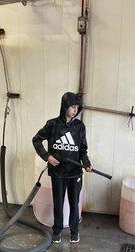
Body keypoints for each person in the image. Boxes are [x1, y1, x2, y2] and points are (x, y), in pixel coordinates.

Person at [32, 92, 92, 244]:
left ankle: (74, 231)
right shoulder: (52, 124)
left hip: (74, 173)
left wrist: (87, 163)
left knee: (74, 203)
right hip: (57, 173)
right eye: (72, 107)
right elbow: (36, 140)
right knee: (57, 203)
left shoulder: (79, 127)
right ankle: (57, 231)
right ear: (65, 106)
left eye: (77, 108)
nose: (75, 110)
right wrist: (47, 157)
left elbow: (83, 150)